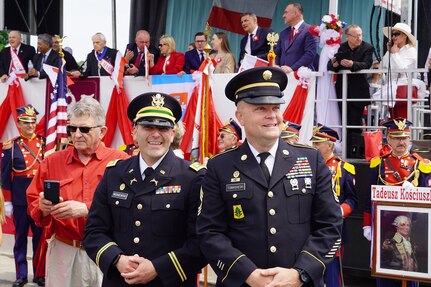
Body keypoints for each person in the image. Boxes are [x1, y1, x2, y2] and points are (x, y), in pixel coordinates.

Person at [196, 67, 343, 287]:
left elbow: (330, 226)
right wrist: (247, 274)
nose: (272, 116)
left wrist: (300, 273)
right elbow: (210, 232)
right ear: (240, 116)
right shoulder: (220, 166)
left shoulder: (311, 160)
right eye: (261, 108)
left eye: (275, 107)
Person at [84, 92, 207, 287]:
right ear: (134, 131)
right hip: (120, 280)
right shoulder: (114, 174)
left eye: (163, 127)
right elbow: (94, 232)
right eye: (148, 126)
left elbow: (202, 242)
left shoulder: (193, 178)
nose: (155, 134)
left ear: (173, 133)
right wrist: (117, 259)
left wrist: (158, 267)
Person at [26, 97, 129, 287]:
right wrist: (42, 207)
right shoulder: (51, 162)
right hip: (65, 252)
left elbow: (130, 206)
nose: (77, 134)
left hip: (108, 251)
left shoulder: (122, 162)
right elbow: (34, 205)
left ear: (102, 131)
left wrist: (87, 208)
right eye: (72, 129)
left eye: (85, 129)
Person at [363, 118, 430, 287]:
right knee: (384, 271)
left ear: (409, 139)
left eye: (404, 137)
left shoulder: (420, 165)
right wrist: (367, 225)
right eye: (396, 137)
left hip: (411, 229)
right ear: (388, 139)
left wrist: (418, 193)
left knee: (409, 272)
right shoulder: (378, 164)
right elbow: (367, 198)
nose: (401, 141)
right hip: (384, 229)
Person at [1, 105, 45, 287]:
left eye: (33, 122)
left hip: (39, 199)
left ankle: (39, 273)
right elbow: (4, 177)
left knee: (39, 238)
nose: (30, 126)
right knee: (20, 238)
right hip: (20, 199)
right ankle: (21, 274)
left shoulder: (43, 143)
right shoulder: (11, 146)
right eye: (26, 122)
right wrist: (8, 201)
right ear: (19, 123)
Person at [310, 124, 358, 287]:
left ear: (329, 145)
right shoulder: (306, 165)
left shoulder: (343, 168)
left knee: (332, 271)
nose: (314, 146)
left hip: (334, 226)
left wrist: (339, 211)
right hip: (309, 226)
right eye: (313, 143)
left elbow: (352, 199)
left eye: (318, 143)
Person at [327, 24, 374, 157]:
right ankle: (345, 150)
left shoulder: (367, 47)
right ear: (347, 37)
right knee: (343, 122)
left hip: (358, 91)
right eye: (355, 36)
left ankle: (356, 153)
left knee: (355, 122)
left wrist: (352, 65)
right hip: (342, 91)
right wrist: (335, 64)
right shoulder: (342, 47)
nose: (359, 38)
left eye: (360, 35)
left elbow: (367, 64)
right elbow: (331, 65)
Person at [381, 23, 418, 119]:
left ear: (405, 36)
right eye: (392, 34)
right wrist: (388, 51)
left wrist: (394, 54)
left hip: (403, 91)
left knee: (402, 122)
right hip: (391, 90)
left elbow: (402, 69)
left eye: (396, 34)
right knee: (392, 121)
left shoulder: (411, 50)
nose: (393, 37)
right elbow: (383, 67)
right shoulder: (393, 49)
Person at [275, 3, 318, 72]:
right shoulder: (283, 33)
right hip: (282, 75)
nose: (283, 16)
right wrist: (276, 65)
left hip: (301, 76)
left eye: (286, 12)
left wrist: (292, 68)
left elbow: (310, 54)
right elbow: (277, 52)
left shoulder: (310, 30)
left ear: (295, 13)